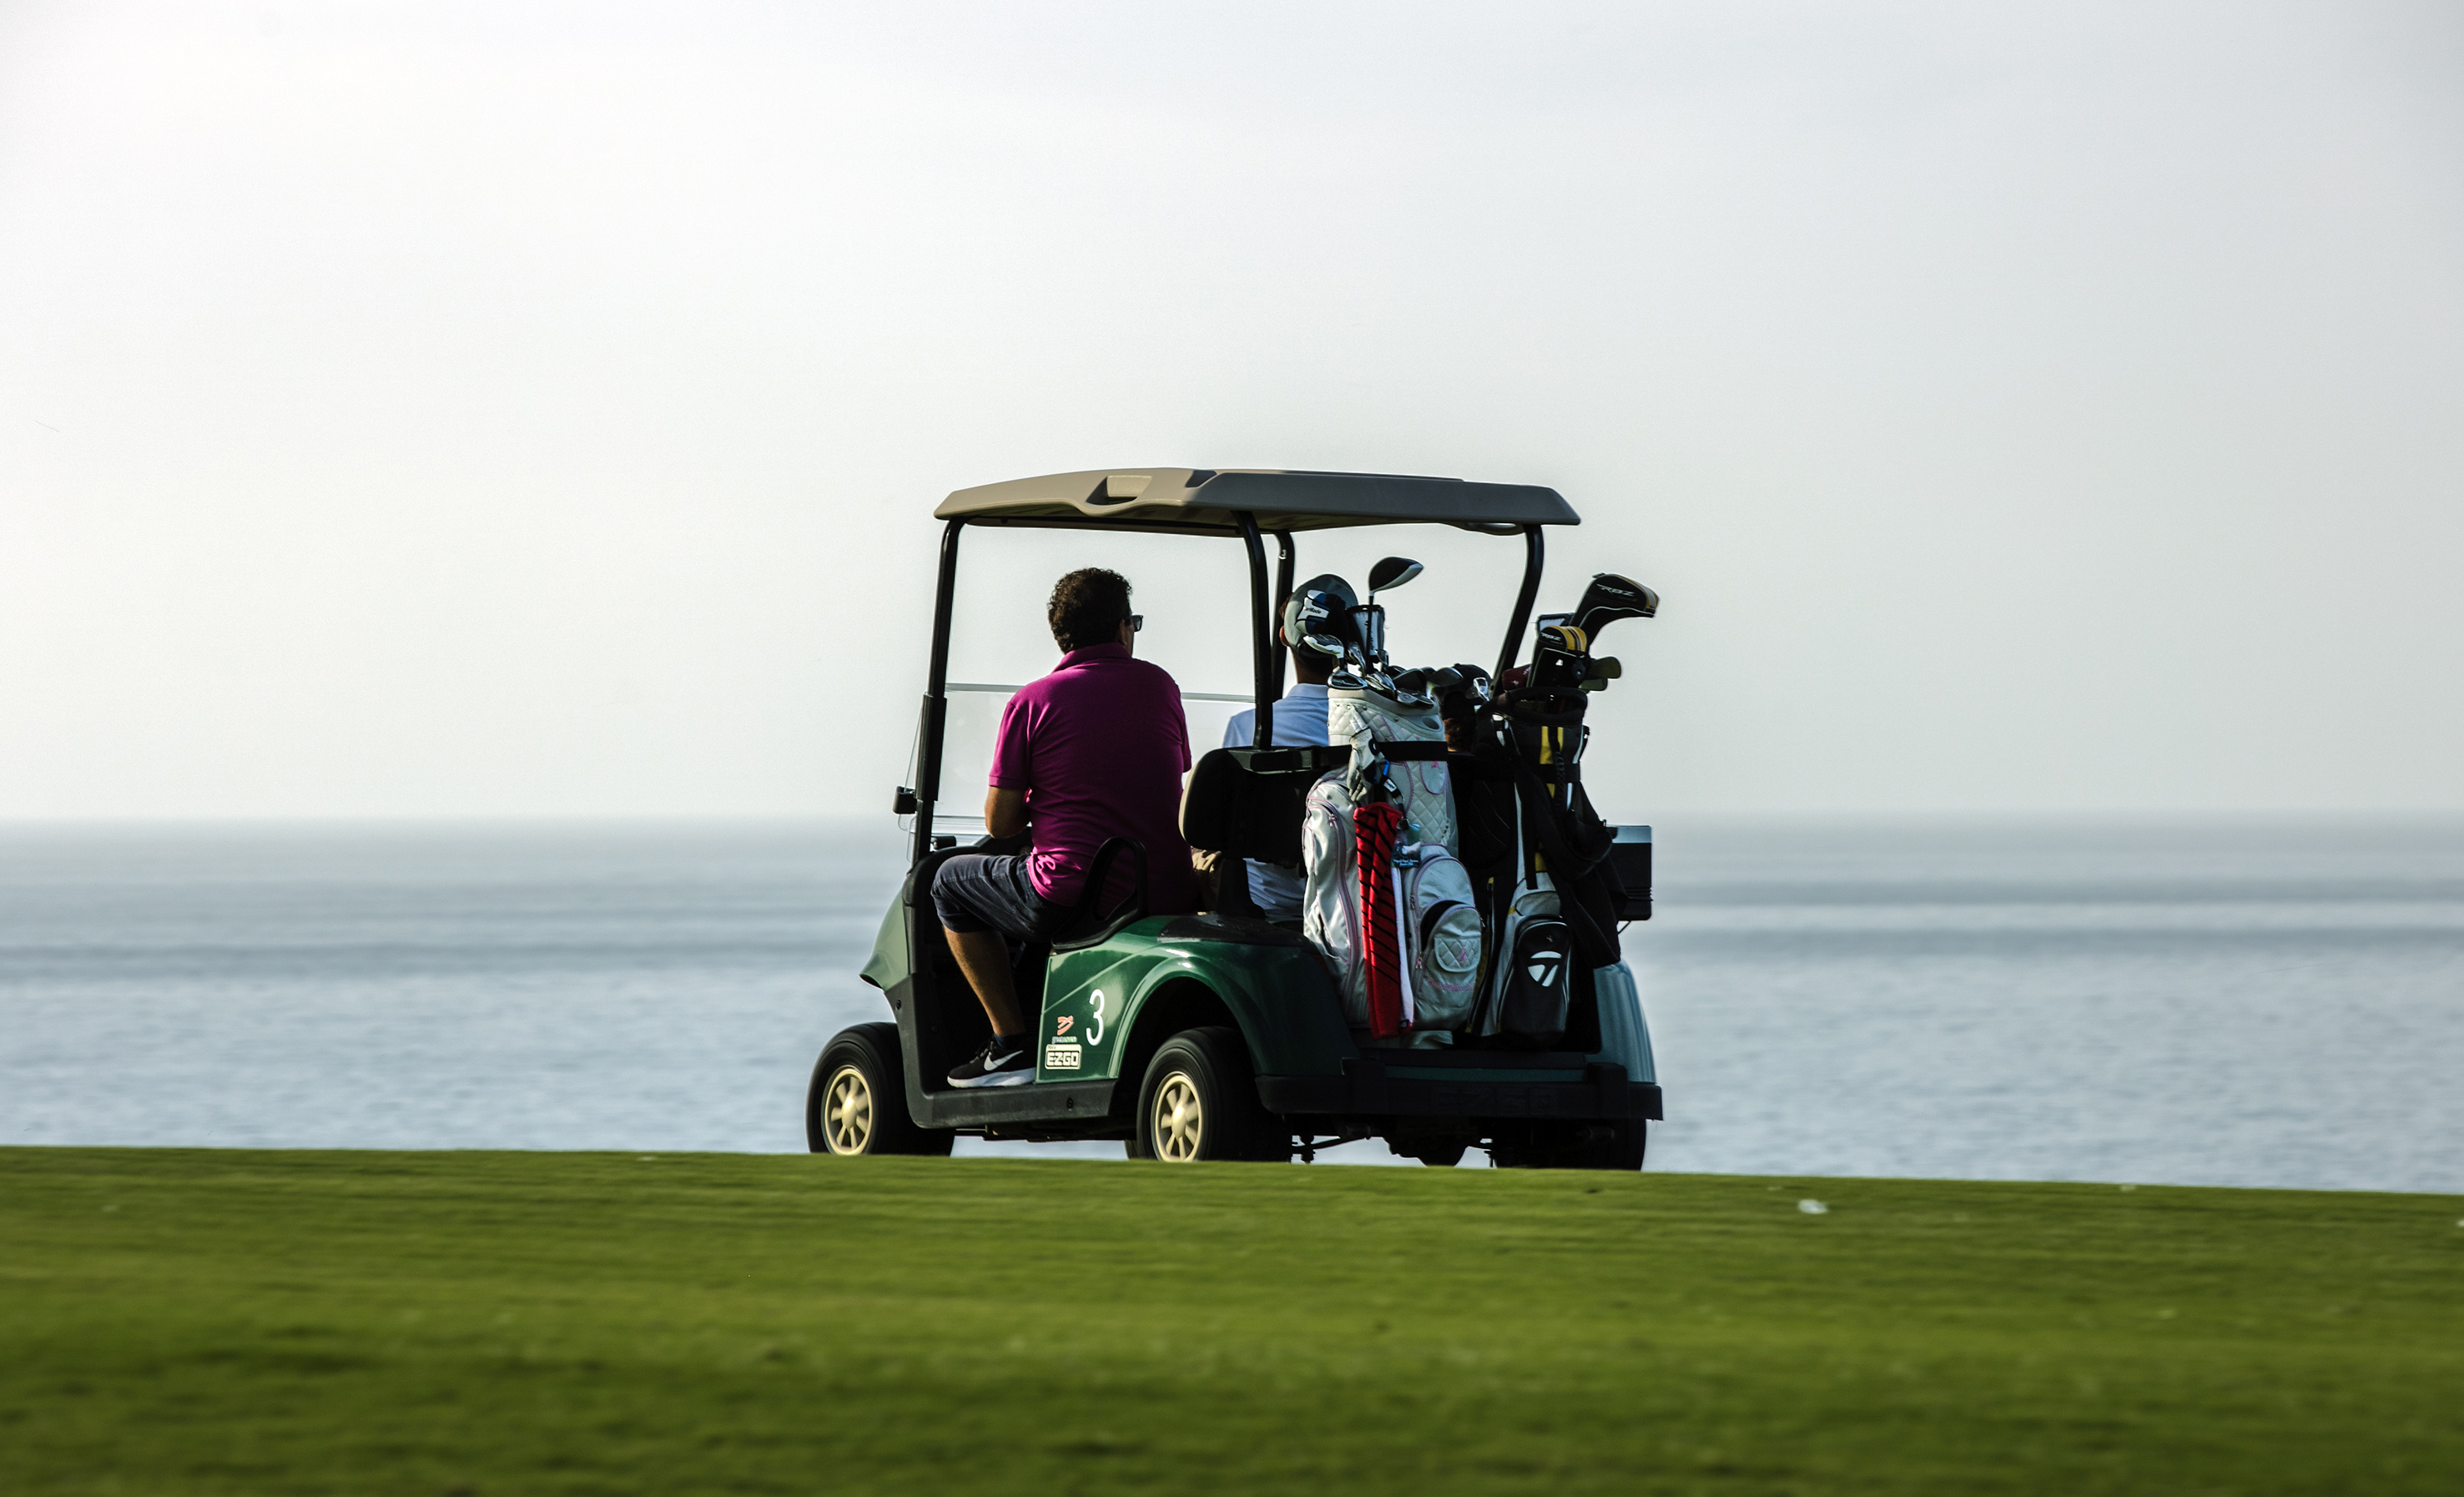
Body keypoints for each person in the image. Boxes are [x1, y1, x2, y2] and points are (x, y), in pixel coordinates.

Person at [934, 567, 1196, 1087]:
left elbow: (1001, 823)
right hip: (1162, 885)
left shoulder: (1033, 702)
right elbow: (1165, 779)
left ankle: (1010, 1045)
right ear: (1122, 629)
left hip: (1073, 894)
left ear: (1061, 635)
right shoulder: (1161, 686)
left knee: (945, 883)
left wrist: (1041, 798)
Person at [1219, 574, 1352, 925]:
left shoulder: (1246, 727)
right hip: (1346, 913)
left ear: (1284, 638)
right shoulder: (1380, 732)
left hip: (1263, 908)